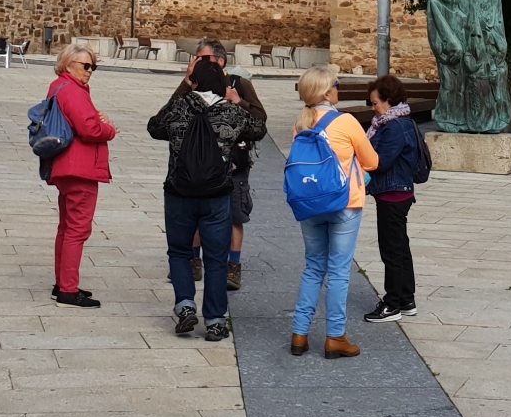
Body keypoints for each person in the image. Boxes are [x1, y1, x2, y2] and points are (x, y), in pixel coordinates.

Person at [148, 57, 263, 341]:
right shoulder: (230, 113)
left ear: (194, 81)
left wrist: (182, 90)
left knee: (179, 252)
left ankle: (186, 305)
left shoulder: (179, 107)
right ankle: (214, 320)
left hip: (179, 191)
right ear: (224, 85)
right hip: (216, 195)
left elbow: (154, 127)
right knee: (215, 258)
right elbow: (258, 129)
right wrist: (238, 103)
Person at [288, 65, 376, 359]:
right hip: (344, 203)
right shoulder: (347, 121)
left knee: (313, 268)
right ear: (327, 92)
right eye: (336, 84)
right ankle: (335, 337)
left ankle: (300, 334)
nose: (339, 88)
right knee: (339, 271)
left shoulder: (301, 123)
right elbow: (372, 161)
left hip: (310, 204)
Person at [170, 38, 266, 291]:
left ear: (220, 61)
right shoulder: (193, 86)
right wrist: (186, 83)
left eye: (202, 59)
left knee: (235, 215)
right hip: (195, 166)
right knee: (196, 217)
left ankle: (232, 267)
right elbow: (166, 116)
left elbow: (259, 120)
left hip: (233, 165)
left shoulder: (239, 84)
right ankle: (193, 261)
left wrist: (238, 102)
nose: (196, 63)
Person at [44, 43, 115, 307]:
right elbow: (89, 130)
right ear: (67, 65)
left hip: (66, 166)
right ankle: (68, 290)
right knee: (77, 229)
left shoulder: (60, 87)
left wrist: (96, 120)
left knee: (66, 227)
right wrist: (108, 128)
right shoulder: (73, 91)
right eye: (85, 66)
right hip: (80, 168)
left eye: (93, 66)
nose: (90, 71)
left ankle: (62, 282)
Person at [361, 74, 424, 324]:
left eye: (375, 103)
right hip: (398, 192)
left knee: (392, 250)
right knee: (400, 247)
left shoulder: (393, 127)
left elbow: (381, 162)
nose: (373, 108)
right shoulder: (402, 122)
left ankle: (392, 303)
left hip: (393, 193)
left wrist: (361, 153)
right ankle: (406, 299)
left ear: (388, 101)